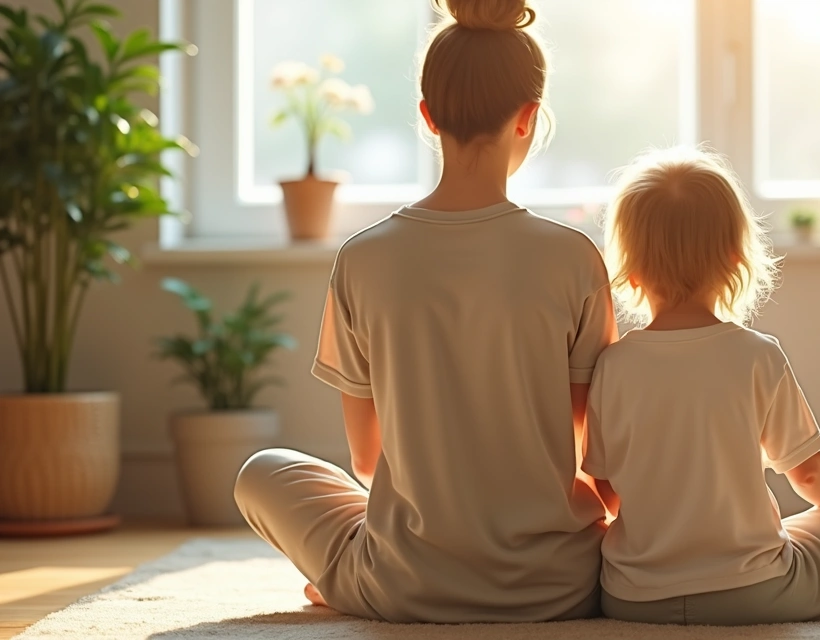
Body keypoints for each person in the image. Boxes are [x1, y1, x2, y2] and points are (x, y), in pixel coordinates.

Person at [233, 0, 616, 622]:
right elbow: (587, 456)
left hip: (405, 586)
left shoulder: (361, 259)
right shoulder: (574, 258)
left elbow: (364, 461)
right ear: (529, 119)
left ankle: (346, 581)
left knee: (262, 471)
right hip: (560, 588)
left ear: (427, 115)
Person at [584, 147, 820, 625]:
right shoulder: (756, 354)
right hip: (754, 595)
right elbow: (809, 477)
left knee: (779, 544)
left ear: (632, 269)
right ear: (734, 257)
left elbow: (606, 487)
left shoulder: (614, 364)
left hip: (632, 600)